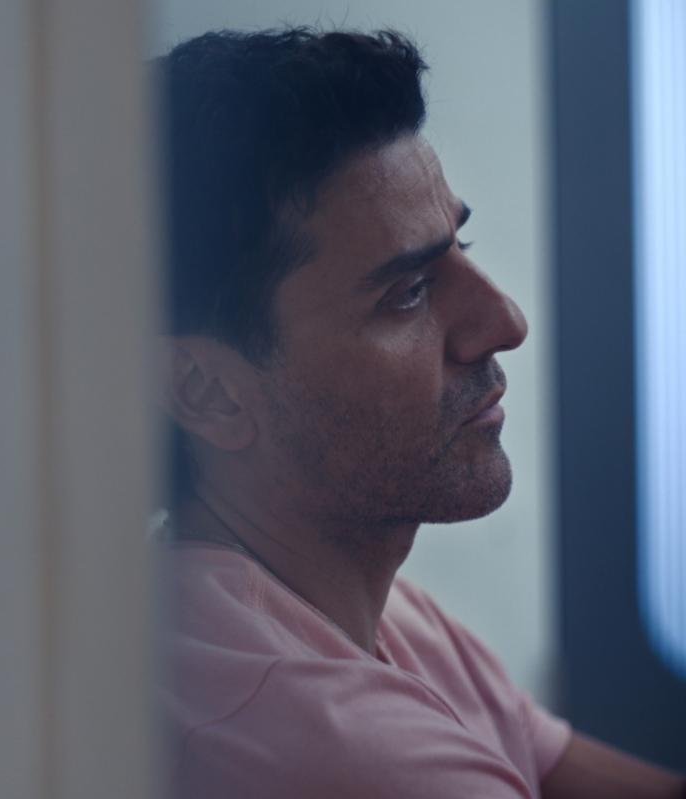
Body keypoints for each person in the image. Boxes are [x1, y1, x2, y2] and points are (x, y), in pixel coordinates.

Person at [156, 28, 686, 798]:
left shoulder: (360, 604)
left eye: (459, 246)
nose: (504, 322)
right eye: (407, 293)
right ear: (207, 391)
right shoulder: (322, 737)